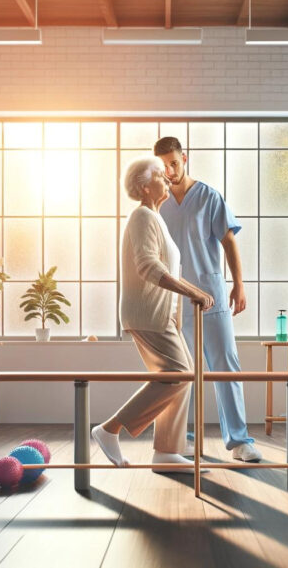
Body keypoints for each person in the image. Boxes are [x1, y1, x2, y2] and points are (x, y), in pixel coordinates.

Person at [91, 157, 215, 473]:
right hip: (146, 315)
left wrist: (194, 293)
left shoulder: (155, 218)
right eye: (160, 174)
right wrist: (192, 292)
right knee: (179, 374)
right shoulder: (143, 217)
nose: (168, 176)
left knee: (182, 377)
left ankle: (166, 452)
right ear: (146, 187)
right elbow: (148, 267)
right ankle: (110, 429)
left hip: (162, 317)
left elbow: (167, 268)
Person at [154, 137, 263, 463]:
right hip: (173, 303)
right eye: (163, 166)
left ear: (184, 158)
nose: (170, 171)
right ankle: (181, 439)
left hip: (212, 297)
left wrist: (238, 285)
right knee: (178, 374)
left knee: (225, 367)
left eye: (174, 162)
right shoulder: (157, 204)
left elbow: (228, 242)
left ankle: (240, 441)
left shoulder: (208, 197)